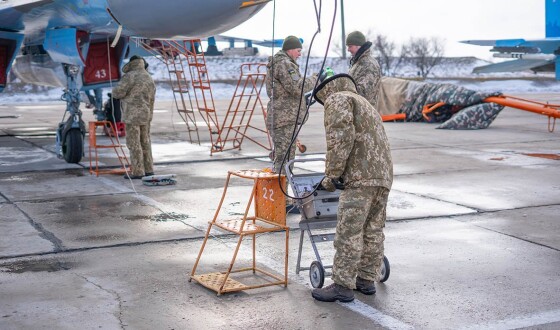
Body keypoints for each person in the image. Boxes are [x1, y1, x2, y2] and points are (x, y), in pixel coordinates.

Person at [310, 73, 393, 302]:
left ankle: (342, 285)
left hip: (359, 178)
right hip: (382, 176)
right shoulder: (365, 103)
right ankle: (366, 280)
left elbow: (340, 139)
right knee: (373, 230)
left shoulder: (337, 99)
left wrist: (332, 175)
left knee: (349, 231)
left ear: (327, 91)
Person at [265, 35, 317, 173]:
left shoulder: (281, 63)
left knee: (284, 159)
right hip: (284, 120)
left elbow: (286, 91)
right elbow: (297, 87)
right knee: (284, 161)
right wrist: (316, 79)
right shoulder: (284, 64)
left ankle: (280, 191)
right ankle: (280, 192)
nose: (300, 54)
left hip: (283, 118)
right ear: (290, 50)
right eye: (298, 51)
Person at [112, 55, 156, 179]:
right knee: (145, 142)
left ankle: (137, 172)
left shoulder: (129, 76)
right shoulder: (148, 77)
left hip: (132, 115)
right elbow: (152, 98)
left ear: (132, 63)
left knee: (134, 143)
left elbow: (117, 93)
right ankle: (149, 169)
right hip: (146, 115)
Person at [346, 31, 382, 109]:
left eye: (350, 46)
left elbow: (364, 93)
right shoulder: (358, 63)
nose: (348, 49)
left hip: (365, 115)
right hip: (358, 112)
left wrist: (343, 87)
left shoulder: (369, 64)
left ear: (358, 46)